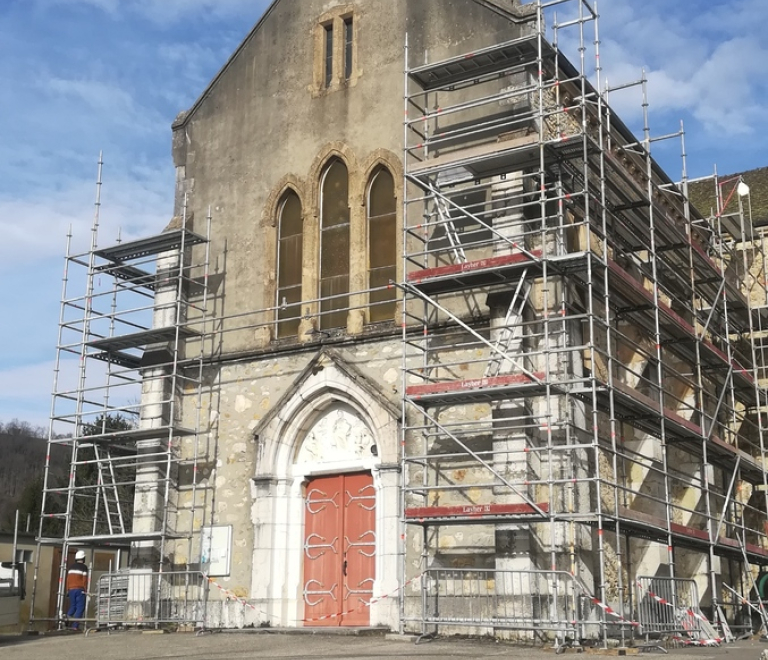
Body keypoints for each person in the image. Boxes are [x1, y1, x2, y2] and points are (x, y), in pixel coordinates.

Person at [66, 550, 88, 630]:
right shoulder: (84, 567)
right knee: (80, 607)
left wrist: (67, 589)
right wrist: (86, 590)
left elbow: (68, 579)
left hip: (71, 589)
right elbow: (84, 580)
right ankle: (75, 626)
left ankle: (66, 618)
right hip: (80, 589)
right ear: (83, 558)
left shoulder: (71, 567)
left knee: (73, 606)